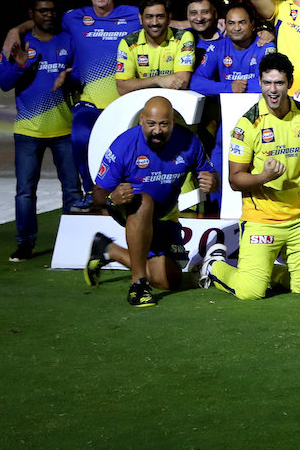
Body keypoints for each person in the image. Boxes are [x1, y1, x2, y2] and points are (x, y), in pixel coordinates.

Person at [3, 0, 140, 205]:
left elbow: (161, 21)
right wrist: (15, 30)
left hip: (124, 104)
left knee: (127, 156)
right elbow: (41, 21)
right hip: (89, 102)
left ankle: (134, 196)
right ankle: (91, 191)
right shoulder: (73, 18)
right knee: (80, 139)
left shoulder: (132, 14)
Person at [201, 54, 300, 300]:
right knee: (249, 293)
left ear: (290, 82)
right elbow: (234, 180)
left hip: (299, 218)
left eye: (279, 83)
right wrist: (264, 176)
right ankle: (214, 266)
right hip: (261, 219)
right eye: (267, 83)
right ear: (259, 82)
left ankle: (267, 274)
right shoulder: (247, 125)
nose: (273, 90)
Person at [84, 96, 218, 306]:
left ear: (173, 121)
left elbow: (211, 175)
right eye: (151, 124)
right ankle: (138, 284)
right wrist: (112, 196)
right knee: (144, 201)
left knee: (170, 280)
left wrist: (213, 182)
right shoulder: (124, 145)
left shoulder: (189, 142)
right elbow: (98, 194)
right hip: (131, 208)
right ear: (141, 121)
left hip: (166, 213)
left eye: (164, 124)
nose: (157, 130)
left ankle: (109, 249)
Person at [0, 0, 80, 261]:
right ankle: (25, 243)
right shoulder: (19, 43)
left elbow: (79, 75)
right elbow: (3, 83)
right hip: (28, 132)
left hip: (65, 130)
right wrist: (19, 67)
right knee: (25, 192)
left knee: (71, 190)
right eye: (43, 10)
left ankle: (74, 243)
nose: (49, 15)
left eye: (53, 10)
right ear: (31, 15)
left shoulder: (68, 40)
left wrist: (70, 79)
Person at [189, 3, 274, 212]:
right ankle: (220, 223)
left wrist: (243, 87)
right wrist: (228, 87)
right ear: (224, 25)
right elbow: (195, 82)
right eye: (231, 23)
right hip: (227, 128)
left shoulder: (265, 47)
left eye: (242, 22)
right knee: (220, 173)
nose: (236, 27)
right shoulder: (217, 48)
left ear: (253, 25)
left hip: (263, 125)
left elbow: (271, 81)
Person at [114, 0, 196, 95]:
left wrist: (139, 84)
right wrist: (158, 80)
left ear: (169, 18)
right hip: (139, 102)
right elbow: (122, 88)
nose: (154, 22)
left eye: (160, 16)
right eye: (149, 17)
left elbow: (181, 82)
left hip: (174, 101)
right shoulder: (128, 43)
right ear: (140, 18)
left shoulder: (183, 38)